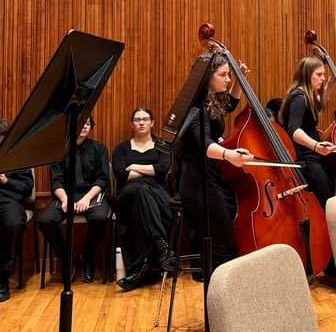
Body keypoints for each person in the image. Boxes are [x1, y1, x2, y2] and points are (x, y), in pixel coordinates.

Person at [280, 57, 336, 291]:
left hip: (314, 158)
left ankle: (335, 269)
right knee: (330, 216)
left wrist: (329, 87)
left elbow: (316, 109)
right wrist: (317, 146)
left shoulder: (306, 96)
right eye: (319, 75)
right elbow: (294, 130)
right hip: (307, 161)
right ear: (307, 74)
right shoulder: (298, 98)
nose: (322, 77)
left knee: (331, 214)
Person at [176, 53, 254, 272]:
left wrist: (239, 81)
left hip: (210, 175)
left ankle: (218, 280)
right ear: (207, 76)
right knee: (224, 243)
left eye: (229, 75)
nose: (228, 79)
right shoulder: (196, 105)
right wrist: (229, 155)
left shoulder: (212, 99)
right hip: (197, 180)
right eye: (223, 75)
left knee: (225, 231)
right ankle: (220, 287)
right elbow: (204, 143)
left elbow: (229, 105)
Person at [38, 115, 110, 283]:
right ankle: (67, 256)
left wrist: (87, 199)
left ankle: (88, 258)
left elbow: (103, 179)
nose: (84, 126)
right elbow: (56, 181)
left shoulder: (99, 148)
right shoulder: (59, 150)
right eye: (80, 123)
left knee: (100, 218)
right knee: (45, 221)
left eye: (88, 123)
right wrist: (65, 200)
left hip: (92, 193)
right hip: (66, 195)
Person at [111, 107, 173, 291]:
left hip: (157, 194)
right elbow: (121, 175)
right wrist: (149, 170)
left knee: (141, 198)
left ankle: (138, 269)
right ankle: (160, 242)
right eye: (137, 120)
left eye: (145, 119)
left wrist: (134, 166)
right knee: (139, 191)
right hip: (127, 195)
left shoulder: (163, 145)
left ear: (152, 123)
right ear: (132, 124)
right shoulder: (121, 148)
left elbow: (162, 169)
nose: (141, 123)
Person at [0, 117, 33, 302]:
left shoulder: (17, 154)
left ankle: (2, 278)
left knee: (13, 223)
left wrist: (6, 180)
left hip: (8, 198)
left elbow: (27, 187)